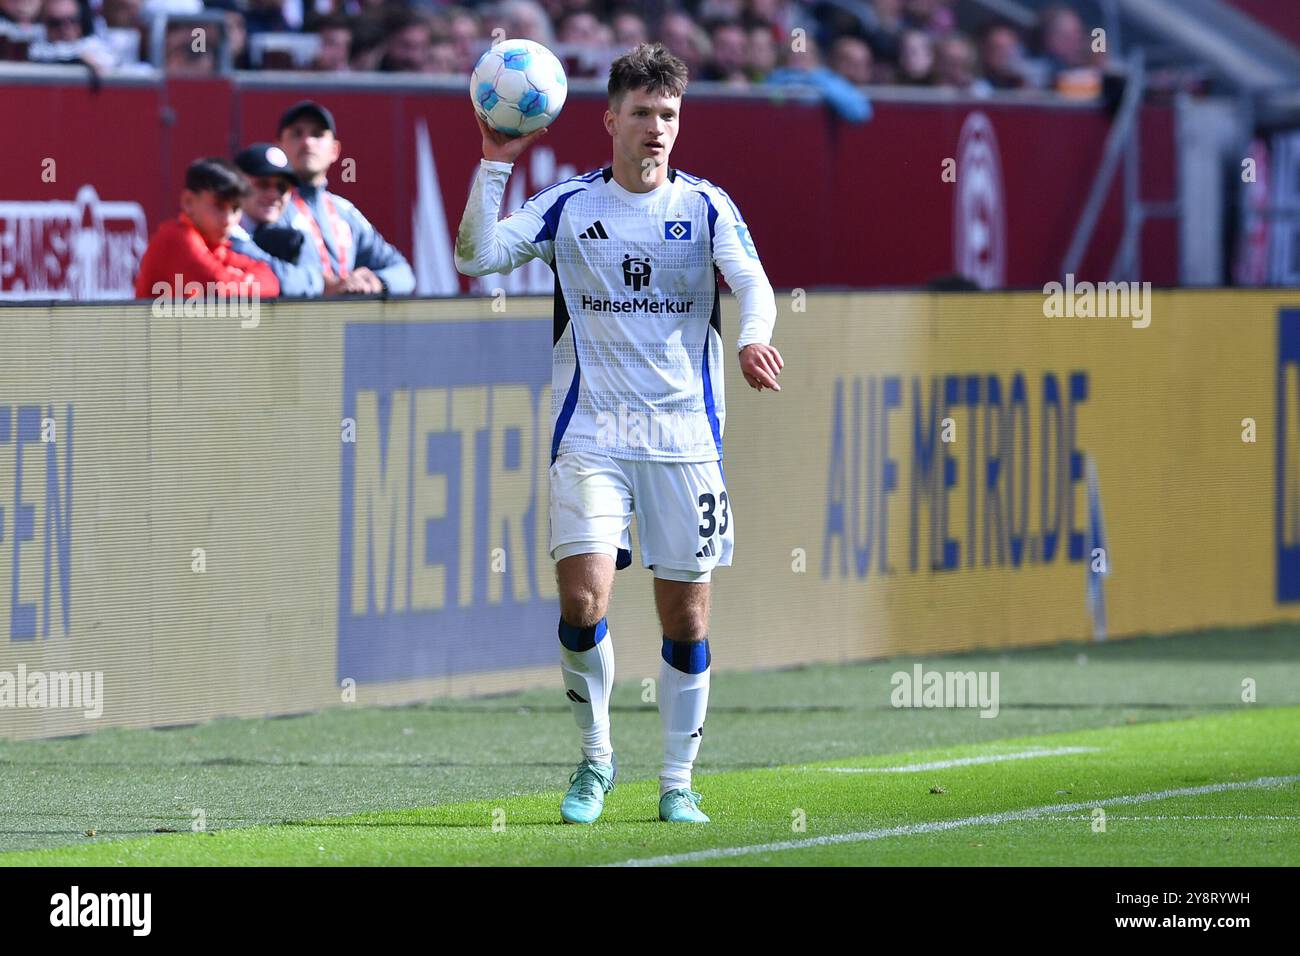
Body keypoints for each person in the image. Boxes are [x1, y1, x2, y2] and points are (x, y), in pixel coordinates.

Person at [454, 42, 783, 825]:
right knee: (582, 598)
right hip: (592, 435)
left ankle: (676, 780)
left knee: (687, 617)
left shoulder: (705, 207)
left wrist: (748, 337)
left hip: (684, 442)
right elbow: (476, 256)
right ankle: (596, 761)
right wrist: (495, 163)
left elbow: (755, 285)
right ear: (609, 120)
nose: (657, 128)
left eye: (668, 114)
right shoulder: (572, 206)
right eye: (642, 113)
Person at [275, 100, 415, 295]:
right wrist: (320, 286)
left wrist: (375, 282)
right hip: (291, 322)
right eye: (297, 133)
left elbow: (403, 273)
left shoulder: (345, 212)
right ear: (279, 148)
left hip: (344, 322)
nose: (307, 142)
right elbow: (263, 271)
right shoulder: (270, 206)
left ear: (335, 150)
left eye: (317, 134)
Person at [135, 157, 280, 300]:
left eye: (235, 208)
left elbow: (270, 281)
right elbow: (219, 287)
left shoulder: (216, 247)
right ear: (188, 202)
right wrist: (243, 279)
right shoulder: (175, 238)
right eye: (219, 205)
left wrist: (235, 281)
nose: (228, 220)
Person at [231, 142, 324, 297]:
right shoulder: (221, 228)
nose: (274, 195)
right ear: (238, 184)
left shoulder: (295, 227)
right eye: (263, 184)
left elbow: (314, 282)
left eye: (282, 187)